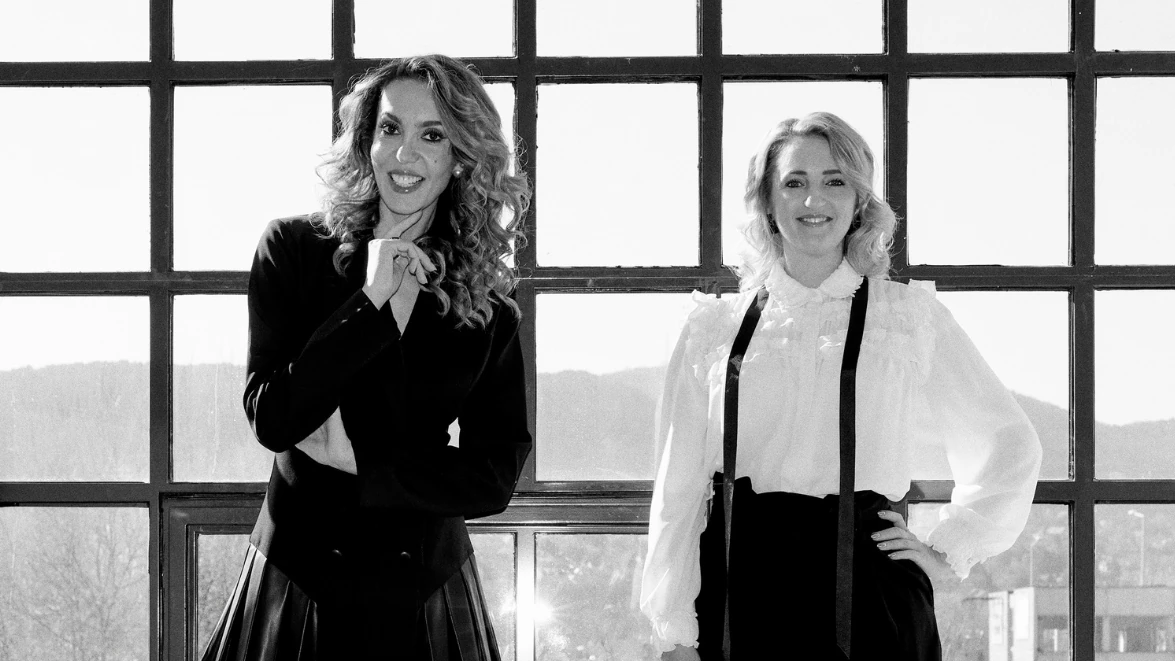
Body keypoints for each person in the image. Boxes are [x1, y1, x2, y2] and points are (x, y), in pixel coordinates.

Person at [640, 112, 1042, 659]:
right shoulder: (714, 328)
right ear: (767, 201)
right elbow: (678, 490)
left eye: (835, 181)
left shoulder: (906, 317)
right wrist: (674, 630)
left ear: (858, 201)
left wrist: (949, 550)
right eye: (794, 182)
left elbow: (1008, 441)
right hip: (742, 590)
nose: (814, 200)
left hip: (872, 592)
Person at [201, 54, 532, 661]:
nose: (405, 155)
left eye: (433, 136)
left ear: (461, 158)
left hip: (425, 590)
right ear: (366, 140)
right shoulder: (293, 250)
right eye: (390, 128)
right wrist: (370, 300)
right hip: (296, 580)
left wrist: (364, 465)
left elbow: (494, 474)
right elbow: (273, 418)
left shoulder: (490, 304)